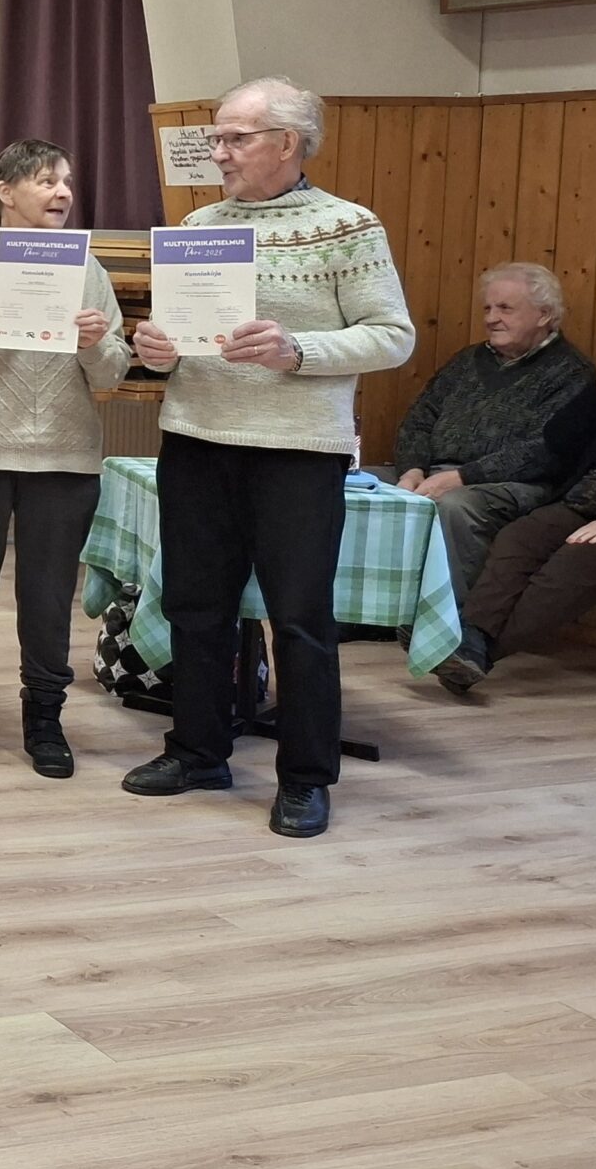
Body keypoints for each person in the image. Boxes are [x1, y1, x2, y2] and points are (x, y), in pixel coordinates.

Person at [124, 77, 414, 839]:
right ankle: (197, 751)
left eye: (235, 138)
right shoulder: (198, 225)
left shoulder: (348, 226)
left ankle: (306, 778)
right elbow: (175, 342)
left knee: (300, 619)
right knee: (194, 607)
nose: (218, 153)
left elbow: (393, 336)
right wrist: (154, 348)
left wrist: (299, 350)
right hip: (196, 438)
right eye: (216, 138)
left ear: (288, 142)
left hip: (296, 451)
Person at [0, 138, 131, 778]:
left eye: (66, 181)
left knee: (48, 594)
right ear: (5, 192)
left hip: (65, 456)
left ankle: (45, 715)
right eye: (46, 181)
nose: (62, 193)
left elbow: (114, 373)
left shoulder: (88, 269)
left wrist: (95, 343)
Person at [379, 263, 592, 596]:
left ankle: (454, 617)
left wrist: (462, 476)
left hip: (516, 485)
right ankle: (357, 609)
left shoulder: (571, 373)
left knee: (455, 506)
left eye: (505, 308)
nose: (492, 318)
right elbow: (419, 418)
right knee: (351, 485)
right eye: (488, 308)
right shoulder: (468, 360)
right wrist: (411, 470)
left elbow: (545, 452)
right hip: (434, 473)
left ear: (544, 315)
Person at [443, 372, 596, 691]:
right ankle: (471, 643)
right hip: (579, 503)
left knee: (570, 566)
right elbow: (558, 440)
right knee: (518, 538)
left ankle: (471, 652)